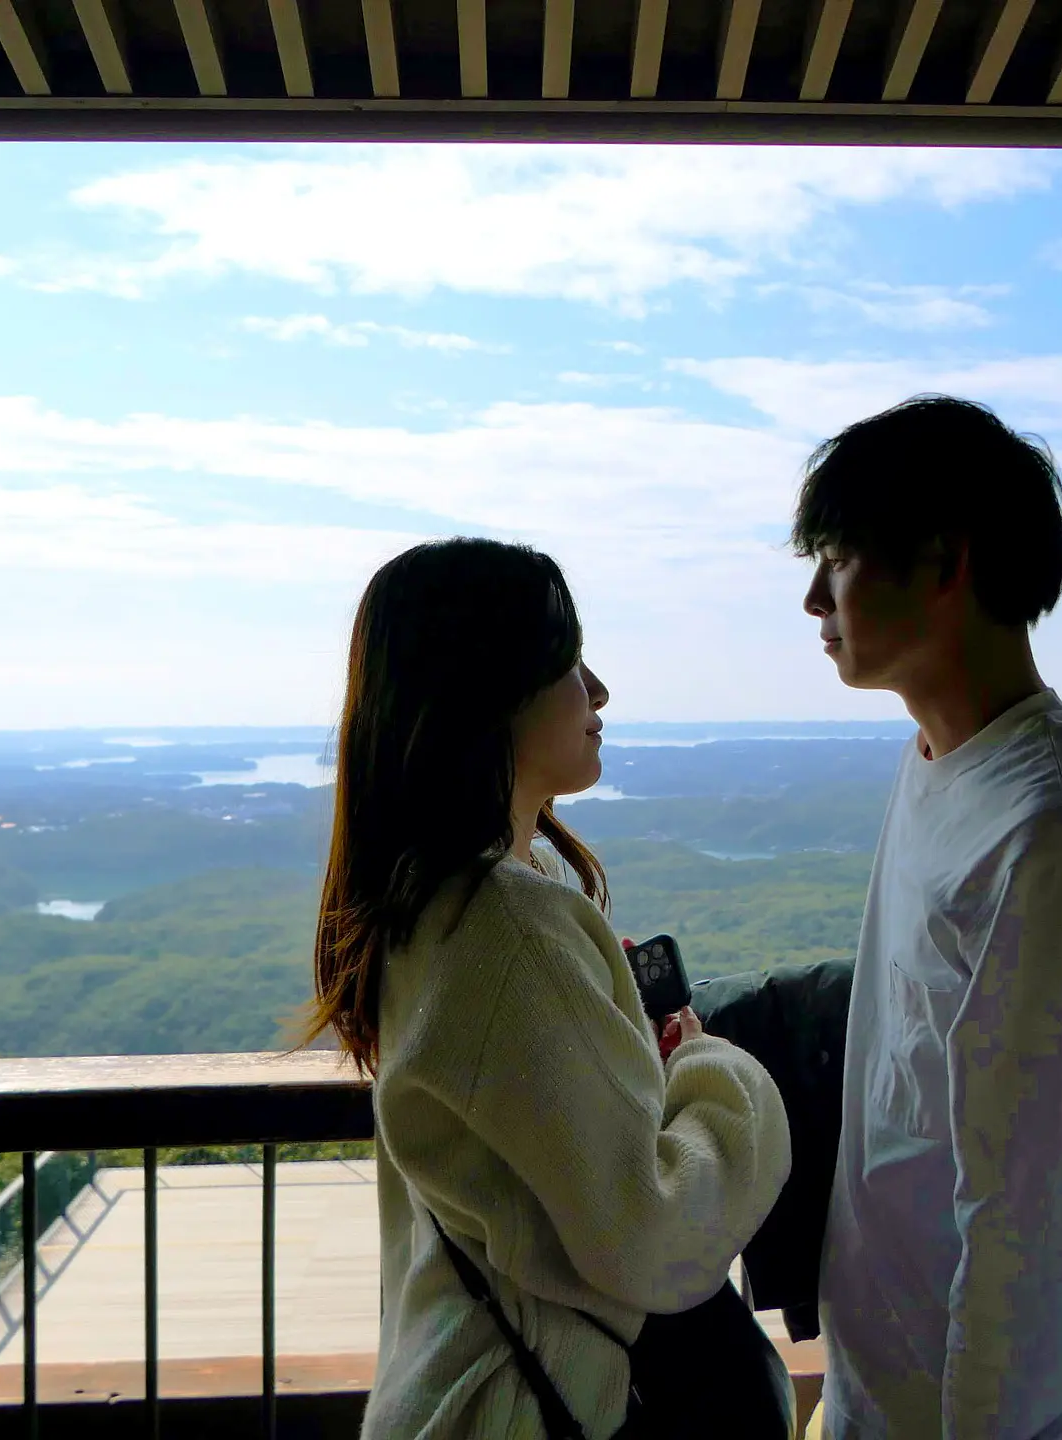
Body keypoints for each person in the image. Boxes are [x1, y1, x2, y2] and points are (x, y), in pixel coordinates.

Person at [303, 537, 792, 1440]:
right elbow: (650, 1234)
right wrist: (719, 1070)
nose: (598, 690)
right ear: (493, 691)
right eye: (570, 663)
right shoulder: (506, 924)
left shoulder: (423, 901)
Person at [796, 398, 1062, 1439]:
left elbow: (1045, 1237)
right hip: (889, 1398)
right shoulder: (944, 762)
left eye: (837, 559)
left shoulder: (1060, 836)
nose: (813, 598)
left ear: (943, 561)